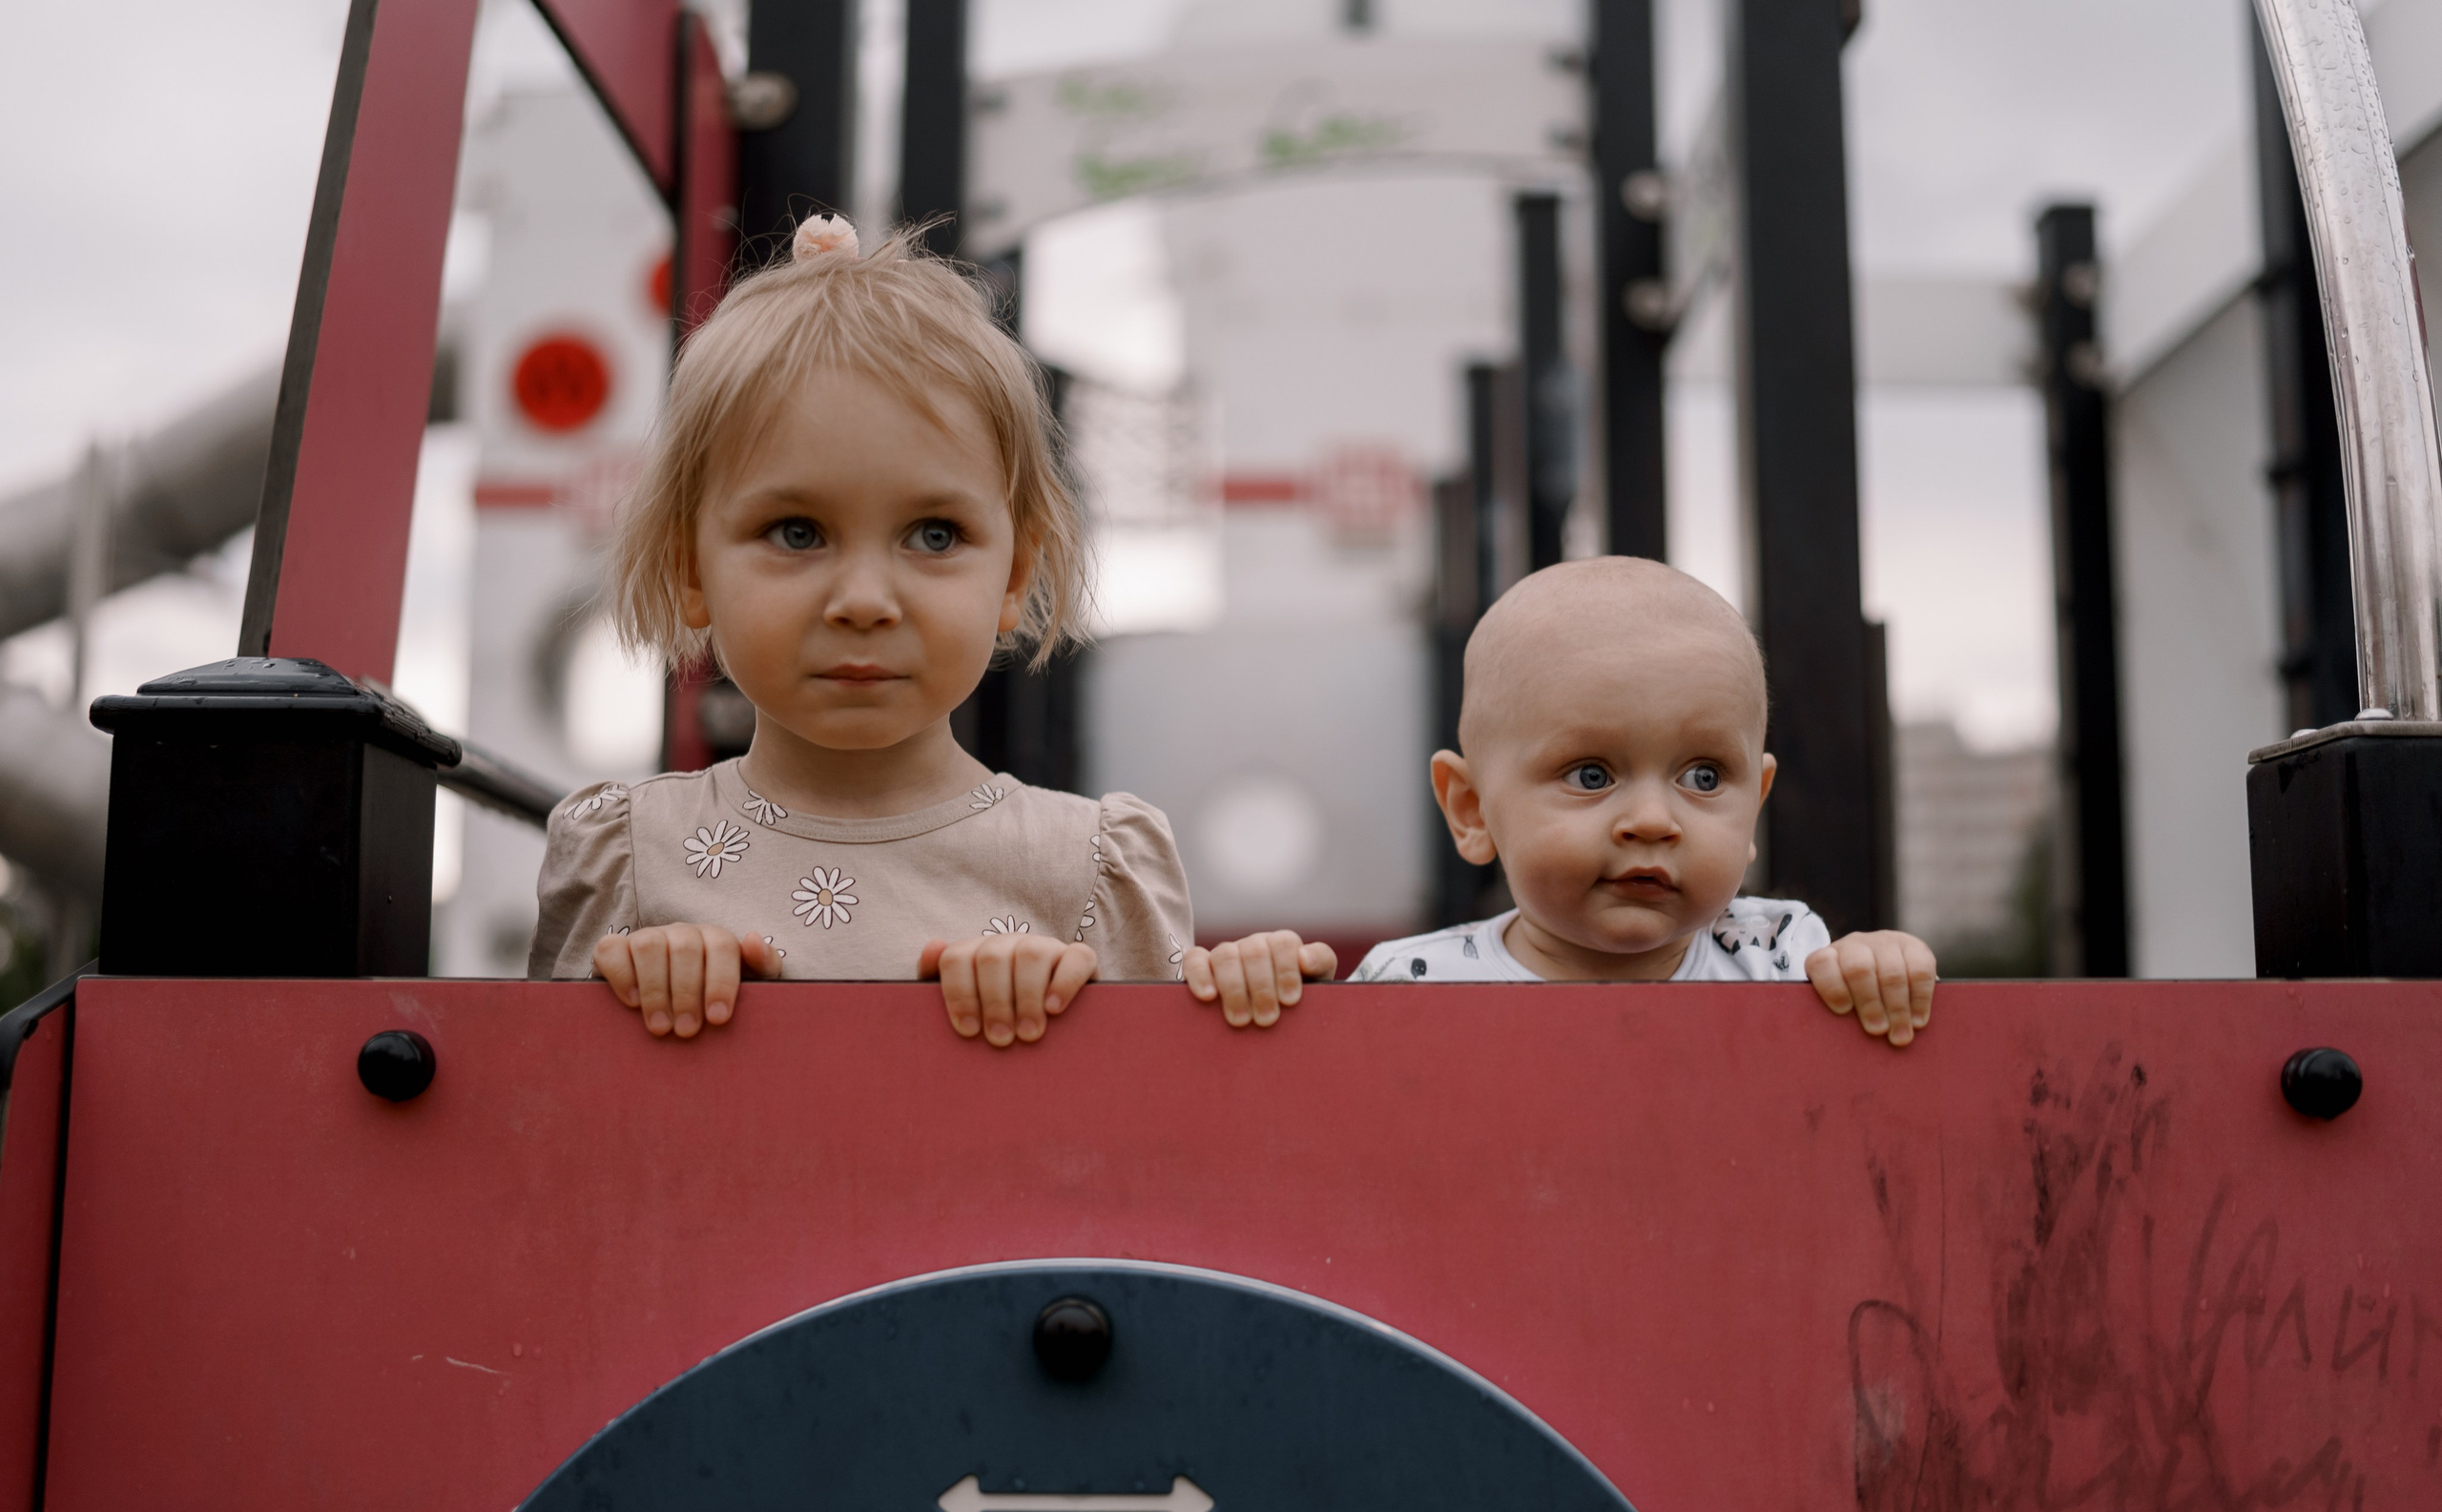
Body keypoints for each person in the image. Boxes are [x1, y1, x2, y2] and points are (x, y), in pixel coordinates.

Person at [529, 216, 1330, 1043]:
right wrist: (630, 1009)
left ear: (1014, 578)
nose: (866, 599)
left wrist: (1219, 1007)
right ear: (692, 570)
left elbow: (1161, 1140)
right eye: (798, 532)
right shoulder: (627, 857)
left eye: (934, 535)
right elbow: (532, 1132)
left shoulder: (1089, 866)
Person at [1349, 557, 1938, 1046]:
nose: (1653, 821)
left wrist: (1881, 973)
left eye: (1704, 778)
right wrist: (1263, 994)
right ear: (1472, 810)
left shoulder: (1783, 961)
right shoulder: (1411, 986)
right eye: (1590, 775)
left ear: (1754, 805)